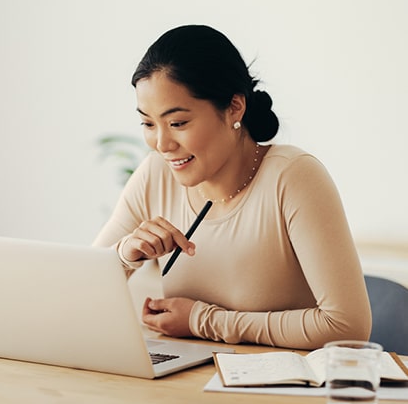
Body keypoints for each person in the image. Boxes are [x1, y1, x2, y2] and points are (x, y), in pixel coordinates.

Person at [94, 24, 371, 350]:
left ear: (234, 107)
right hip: (184, 387)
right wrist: (125, 255)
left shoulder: (293, 178)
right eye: (148, 124)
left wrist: (204, 320)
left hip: (280, 394)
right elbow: (79, 293)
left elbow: (347, 326)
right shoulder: (156, 174)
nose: (162, 143)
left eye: (178, 123)